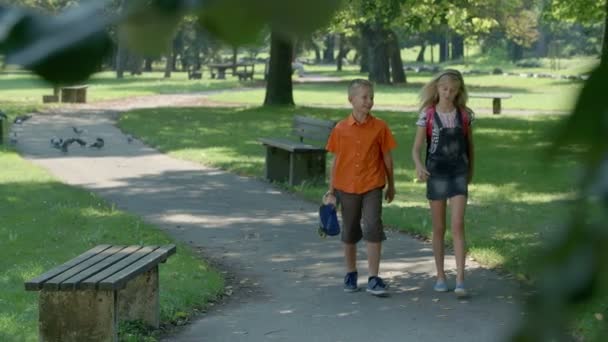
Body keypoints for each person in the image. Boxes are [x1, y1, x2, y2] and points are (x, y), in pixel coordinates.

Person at [325, 79, 397, 296]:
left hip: (372, 184)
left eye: (371, 97)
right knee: (349, 230)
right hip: (346, 187)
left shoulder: (380, 127)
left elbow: (387, 158)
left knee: (373, 225)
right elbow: (336, 161)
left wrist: (391, 185)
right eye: (364, 97)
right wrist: (331, 191)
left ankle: (374, 278)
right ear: (351, 100)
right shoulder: (340, 128)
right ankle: (351, 273)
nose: (369, 101)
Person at [411, 69, 475, 298]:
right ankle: (440, 276)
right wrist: (419, 165)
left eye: (453, 90)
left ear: (459, 92)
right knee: (439, 228)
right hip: (436, 173)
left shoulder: (465, 115)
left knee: (458, 225)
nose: (448, 93)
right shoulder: (427, 115)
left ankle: (460, 279)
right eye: (444, 89)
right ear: (437, 88)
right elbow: (416, 148)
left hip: (458, 172)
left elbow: (470, 146)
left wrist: (470, 171)